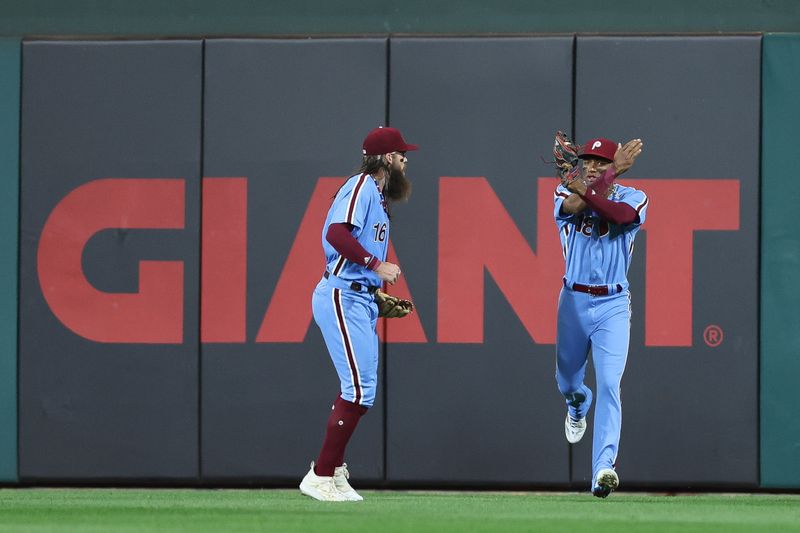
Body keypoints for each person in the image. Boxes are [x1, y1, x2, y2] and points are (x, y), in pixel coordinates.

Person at [299, 126, 417, 502]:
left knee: (362, 390)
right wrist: (375, 264)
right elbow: (335, 233)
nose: (405, 160)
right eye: (400, 155)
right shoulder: (363, 185)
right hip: (341, 296)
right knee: (359, 390)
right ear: (384, 159)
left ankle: (332, 471)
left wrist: (376, 293)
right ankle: (320, 474)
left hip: (359, 297)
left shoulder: (379, 197)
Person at [552, 135, 647, 498]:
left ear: (616, 167)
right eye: (587, 160)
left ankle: (603, 468)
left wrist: (603, 184)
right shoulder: (564, 194)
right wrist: (597, 184)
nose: (591, 167)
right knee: (568, 382)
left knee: (610, 384)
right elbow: (575, 205)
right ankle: (577, 405)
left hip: (612, 304)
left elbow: (621, 216)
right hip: (573, 301)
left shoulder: (634, 196)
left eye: (602, 162)